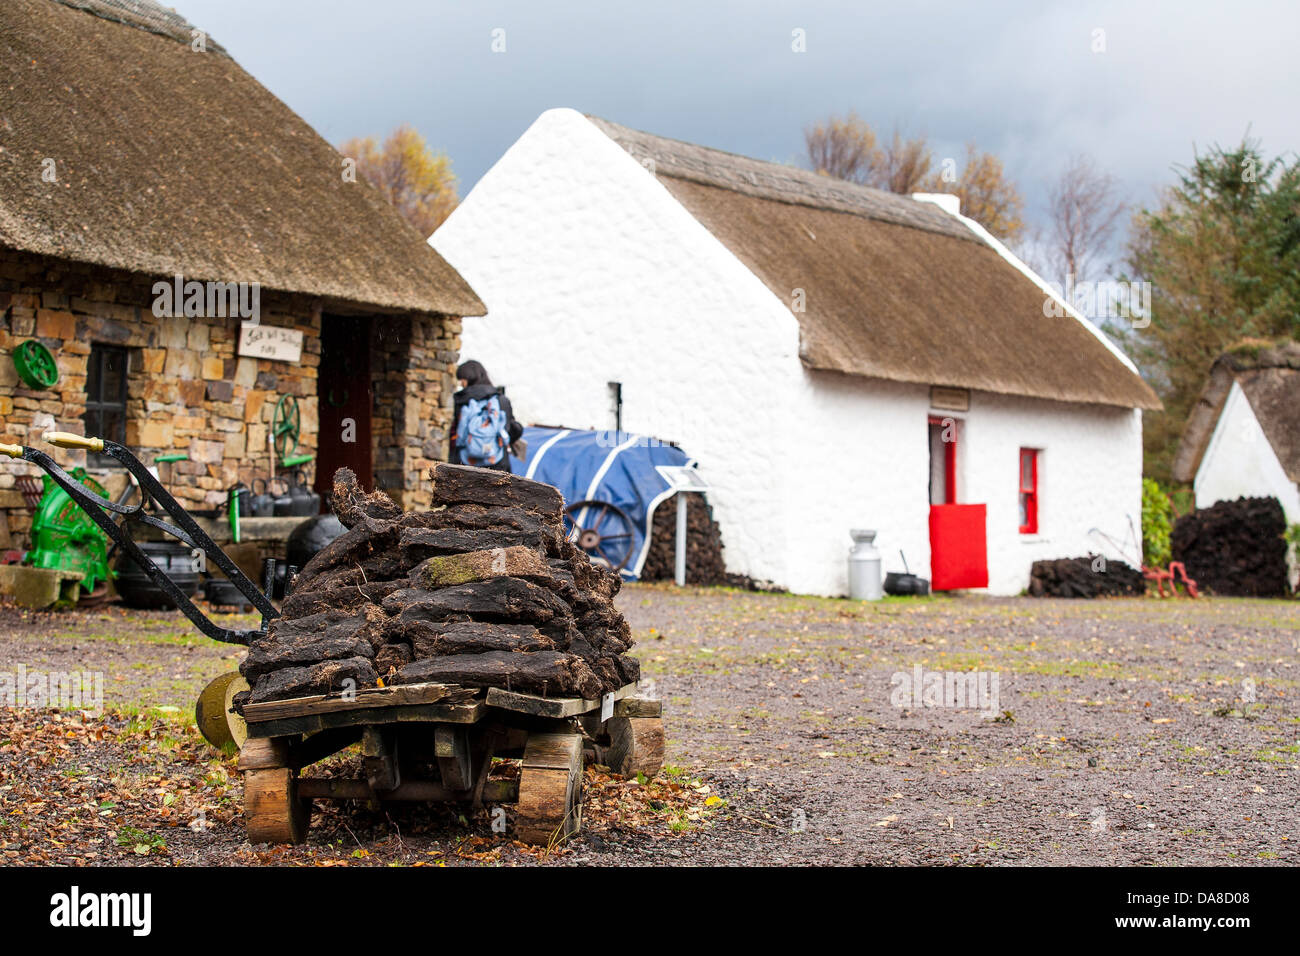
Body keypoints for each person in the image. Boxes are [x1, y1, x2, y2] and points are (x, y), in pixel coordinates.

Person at [451, 360, 524, 472]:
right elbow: (513, 429)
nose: (461, 384)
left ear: (468, 379)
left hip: (465, 465)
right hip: (497, 463)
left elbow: (456, 433)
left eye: (462, 380)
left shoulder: (460, 400)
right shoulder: (501, 400)